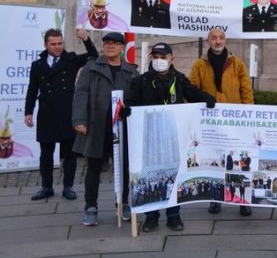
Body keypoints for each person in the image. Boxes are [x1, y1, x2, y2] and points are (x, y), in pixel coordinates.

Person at [127, 42, 216, 232]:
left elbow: (193, 94)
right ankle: (151, 217)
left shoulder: (179, 79)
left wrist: (207, 98)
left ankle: (174, 216)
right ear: (151, 58)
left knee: (173, 175)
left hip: (173, 135)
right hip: (150, 136)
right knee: (151, 174)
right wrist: (126, 110)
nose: (159, 60)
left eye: (163, 57)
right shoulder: (141, 81)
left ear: (171, 59)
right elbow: (130, 102)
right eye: (156, 57)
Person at [71, 32, 137, 226]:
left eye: (115, 44)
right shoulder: (91, 68)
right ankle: (91, 207)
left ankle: (123, 203)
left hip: (122, 128)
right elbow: (81, 94)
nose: (110, 46)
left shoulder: (131, 71)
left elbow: (137, 98)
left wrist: (131, 110)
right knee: (93, 168)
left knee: (124, 168)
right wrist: (79, 120)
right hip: (96, 126)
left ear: (122, 47)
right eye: (107, 43)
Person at [25, 28, 97, 201]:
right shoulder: (38, 65)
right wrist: (28, 111)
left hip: (67, 112)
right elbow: (32, 89)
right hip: (46, 113)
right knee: (46, 153)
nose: (57, 47)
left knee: (69, 153)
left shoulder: (71, 59)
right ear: (46, 45)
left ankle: (68, 187)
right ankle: (46, 187)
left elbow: (93, 55)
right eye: (53, 44)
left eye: (60, 43)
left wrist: (85, 38)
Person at [189, 27, 254, 216]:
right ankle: (215, 198)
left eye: (221, 37)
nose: (218, 41)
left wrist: (249, 116)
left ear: (225, 40)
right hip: (211, 122)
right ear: (208, 41)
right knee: (214, 160)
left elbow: (246, 91)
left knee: (238, 161)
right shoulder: (199, 65)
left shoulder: (237, 64)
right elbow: (192, 89)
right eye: (213, 38)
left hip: (235, 123)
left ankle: (243, 200)